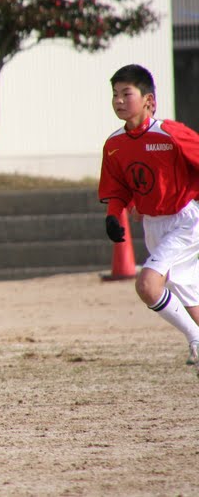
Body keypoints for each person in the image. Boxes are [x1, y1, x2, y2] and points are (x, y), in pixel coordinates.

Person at [99, 64, 199, 376]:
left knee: (147, 284)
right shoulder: (114, 145)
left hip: (185, 221)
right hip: (153, 225)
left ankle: (196, 340)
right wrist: (113, 216)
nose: (118, 100)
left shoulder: (170, 134)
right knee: (188, 297)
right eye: (114, 94)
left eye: (126, 93)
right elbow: (118, 189)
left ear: (149, 101)